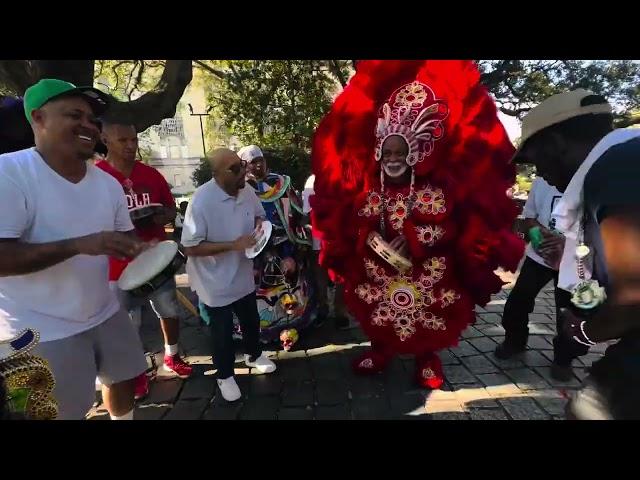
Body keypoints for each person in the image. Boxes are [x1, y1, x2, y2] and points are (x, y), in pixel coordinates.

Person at [311, 60, 523, 389]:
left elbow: (446, 227)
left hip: (426, 271)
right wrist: (370, 242)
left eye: (400, 152)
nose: (393, 159)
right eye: (387, 152)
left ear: (415, 152)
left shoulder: (432, 192)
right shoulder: (372, 190)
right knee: (376, 311)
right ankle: (381, 350)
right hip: (379, 270)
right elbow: (359, 223)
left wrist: (413, 239)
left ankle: (427, 357)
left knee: (429, 316)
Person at [0, 78, 149, 420]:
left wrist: (145, 253)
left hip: (104, 309)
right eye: (74, 115)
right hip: (36, 329)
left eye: (92, 120)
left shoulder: (108, 184)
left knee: (125, 377)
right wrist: (82, 244)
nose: (88, 125)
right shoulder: (9, 173)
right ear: (38, 118)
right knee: (59, 411)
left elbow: (126, 239)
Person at [513, 89, 640, 419]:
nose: (538, 174)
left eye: (536, 160)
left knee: (588, 410)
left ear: (555, 144)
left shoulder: (615, 166)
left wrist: (583, 331)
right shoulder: (622, 159)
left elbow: (632, 298)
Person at [96, 119, 192, 400]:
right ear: (106, 140)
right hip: (118, 266)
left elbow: (169, 209)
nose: (130, 146)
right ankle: (136, 371)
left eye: (133, 140)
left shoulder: (150, 175)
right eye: (122, 140)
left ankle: (172, 356)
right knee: (129, 323)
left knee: (169, 309)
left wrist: (161, 215)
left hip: (155, 258)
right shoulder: (97, 178)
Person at [181, 148, 276, 402]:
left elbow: (260, 215)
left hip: (241, 272)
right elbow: (190, 246)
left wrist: (258, 228)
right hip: (213, 280)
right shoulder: (201, 201)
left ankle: (254, 355)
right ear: (215, 174)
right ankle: (225, 375)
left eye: (242, 165)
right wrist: (233, 245)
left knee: (250, 319)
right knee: (221, 331)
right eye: (234, 169)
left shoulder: (246, 191)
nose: (244, 171)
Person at [495, 177, 588, 381]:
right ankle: (514, 341)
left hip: (573, 260)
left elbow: (595, 227)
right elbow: (530, 217)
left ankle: (563, 359)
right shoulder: (543, 179)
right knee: (518, 301)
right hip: (539, 257)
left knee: (567, 311)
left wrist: (566, 243)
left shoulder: (591, 179)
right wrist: (539, 240)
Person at [237, 145, 315, 347]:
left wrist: (299, 237)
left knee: (292, 280)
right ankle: (262, 329)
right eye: (252, 162)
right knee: (260, 287)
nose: (257, 165)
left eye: (260, 160)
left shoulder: (281, 183)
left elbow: (297, 212)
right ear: (244, 166)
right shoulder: (241, 190)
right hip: (257, 247)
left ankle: (293, 323)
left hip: (285, 241)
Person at [302, 173, 353, 330]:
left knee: (342, 272)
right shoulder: (312, 180)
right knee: (320, 270)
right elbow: (306, 214)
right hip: (320, 233)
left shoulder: (349, 178)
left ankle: (340, 310)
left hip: (342, 232)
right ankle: (322, 307)